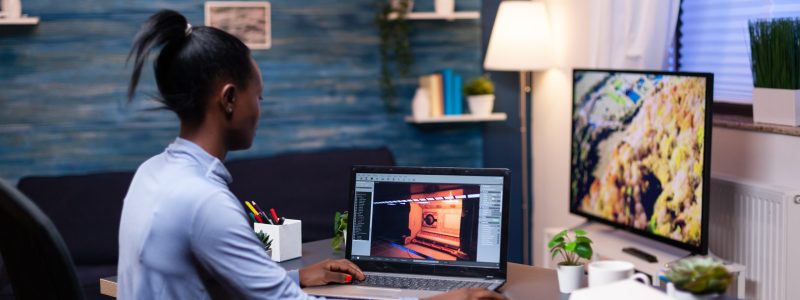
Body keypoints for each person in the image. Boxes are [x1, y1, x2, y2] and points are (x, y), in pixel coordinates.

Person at [118, 9, 505, 300]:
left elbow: (207, 280)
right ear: (230, 99)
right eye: (259, 97)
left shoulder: (154, 173)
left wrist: (296, 276)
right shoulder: (203, 200)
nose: (260, 110)